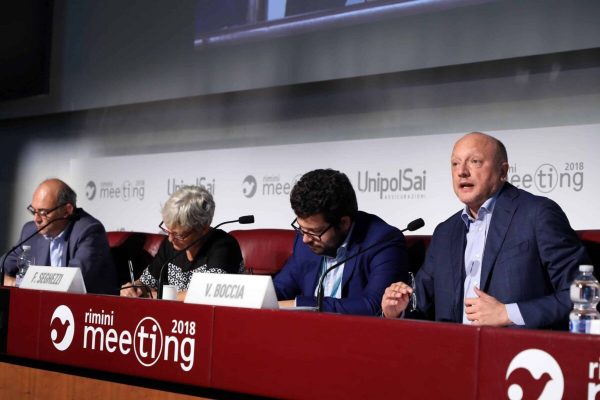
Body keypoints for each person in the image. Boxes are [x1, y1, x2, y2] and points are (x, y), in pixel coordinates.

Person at [382, 132, 589, 329]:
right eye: (455, 163)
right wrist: (397, 310)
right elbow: (421, 305)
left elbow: (583, 295)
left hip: (518, 357)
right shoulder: (445, 233)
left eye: (475, 162)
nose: (462, 171)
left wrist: (508, 313)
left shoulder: (537, 214)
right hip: (453, 355)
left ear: (503, 171)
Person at [274, 168, 408, 315]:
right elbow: (280, 288)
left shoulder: (382, 241)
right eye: (301, 228)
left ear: (344, 223)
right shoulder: (305, 239)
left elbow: (374, 306)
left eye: (314, 232)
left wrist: (299, 304)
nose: (305, 239)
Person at [120, 185, 243, 301]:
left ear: (203, 229)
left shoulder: (223, 246)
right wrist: (134, 288)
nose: (170, 239)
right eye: (168, 231)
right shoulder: (171, 244)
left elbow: (209, 292)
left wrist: (159, 296)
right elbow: (147, 283)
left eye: (179, 234)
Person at [2, 178, 119, 295]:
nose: (36, 219)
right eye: (34, 211)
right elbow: (3, 266)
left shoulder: (89, 231)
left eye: (43, 213)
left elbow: (70, 284)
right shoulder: (30, 231)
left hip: (88, 309)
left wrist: (16, 283)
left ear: (67, 211)